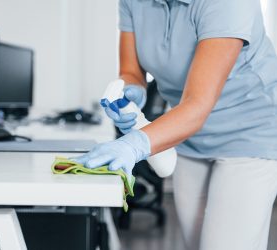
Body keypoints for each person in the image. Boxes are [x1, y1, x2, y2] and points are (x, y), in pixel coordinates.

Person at [75, 0, 277, 249]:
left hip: (250, 133)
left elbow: (197, 104)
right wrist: (130, 91)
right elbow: (131, 70)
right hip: (188, 136)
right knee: (196, 243)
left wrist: (134, 144)